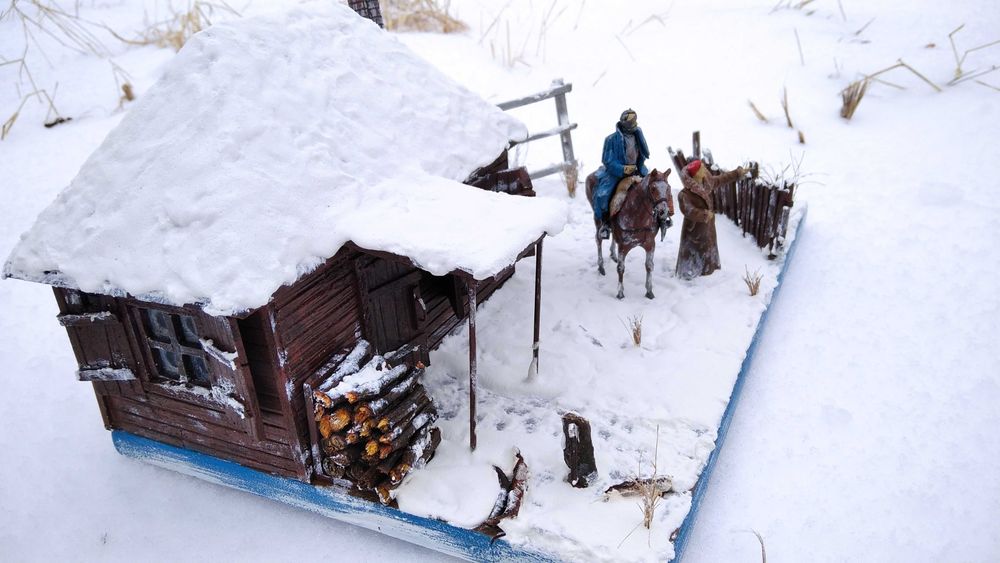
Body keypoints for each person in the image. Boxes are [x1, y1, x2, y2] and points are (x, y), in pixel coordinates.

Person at [675, 159, 745, 280]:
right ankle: (692, 274)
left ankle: (708, 271)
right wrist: (704, 215)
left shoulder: (706, 181)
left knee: (708, 249)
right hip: (693, 231)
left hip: (708, 227)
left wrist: (737, 173)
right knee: (694, 253)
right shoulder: (685, 194)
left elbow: (721, 179)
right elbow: (688, 210)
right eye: (701, 168)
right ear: (696, 174)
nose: (704, 169)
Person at [592, 109, 650, 239]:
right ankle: (605, 223)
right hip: (616, 173)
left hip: (637, 170)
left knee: (654, 187)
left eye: (635, 120)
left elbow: (642, 153)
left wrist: (639, 167)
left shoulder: (638, 136)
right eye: (631, 121)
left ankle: (661, 218)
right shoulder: (611, 139)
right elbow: (607, 160)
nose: (634, 123)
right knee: (603, 195)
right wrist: (623, 169)